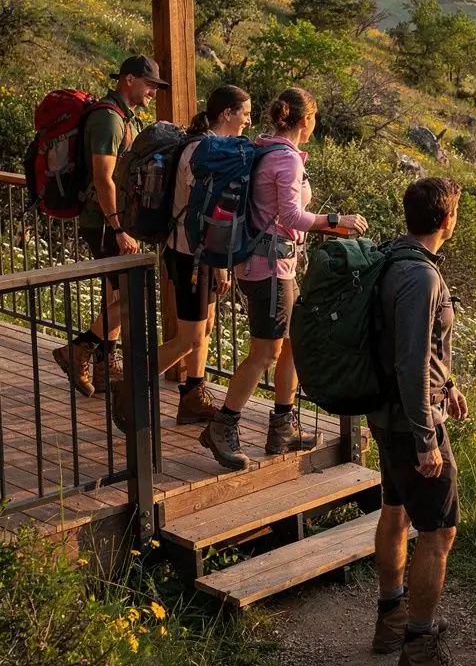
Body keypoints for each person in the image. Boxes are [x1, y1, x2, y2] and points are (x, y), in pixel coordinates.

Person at [200, 86, 368, 470]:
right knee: (265, 354)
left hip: (272, 265)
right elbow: (291, 216)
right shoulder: (287, 160)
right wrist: (335, 221)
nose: (314, 126)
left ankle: (282, 427)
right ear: (304, 119)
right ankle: (222, 426)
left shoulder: (267, 148)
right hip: (270, 269)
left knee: (290, 343)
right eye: (314, 119)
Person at [367, 177, 476, 666]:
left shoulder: (392, 258)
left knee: (395, 511)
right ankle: (420, 651)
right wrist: (425, 438)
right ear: (447, 221)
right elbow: (411, 360)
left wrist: (450, 384)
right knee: (438, 532)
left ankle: (390, 620)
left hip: (384, 414)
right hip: (410, 422)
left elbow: (415, 348)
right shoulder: (423, 278)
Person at [110, 85, 252, 433]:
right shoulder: (204, 151)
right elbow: (206, 212)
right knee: (188, 338)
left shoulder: (202, 146)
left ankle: (192, 394)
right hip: (191, 256)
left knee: (204, 329)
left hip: (194, 253)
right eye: (244, 112)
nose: (248, 119)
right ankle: (131, 384)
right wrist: (219, 261)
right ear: (227, 113)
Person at [52, 55, 167, 397]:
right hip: (105, 221)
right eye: (149, 84)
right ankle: (79, 350)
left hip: (109, 219)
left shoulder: (121, 117)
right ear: (128, 80)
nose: (153, 92)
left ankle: (104, 364)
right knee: (135, 295)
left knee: (117, 293)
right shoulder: (108, 119)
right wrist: (120, 229)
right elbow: (104, 180)